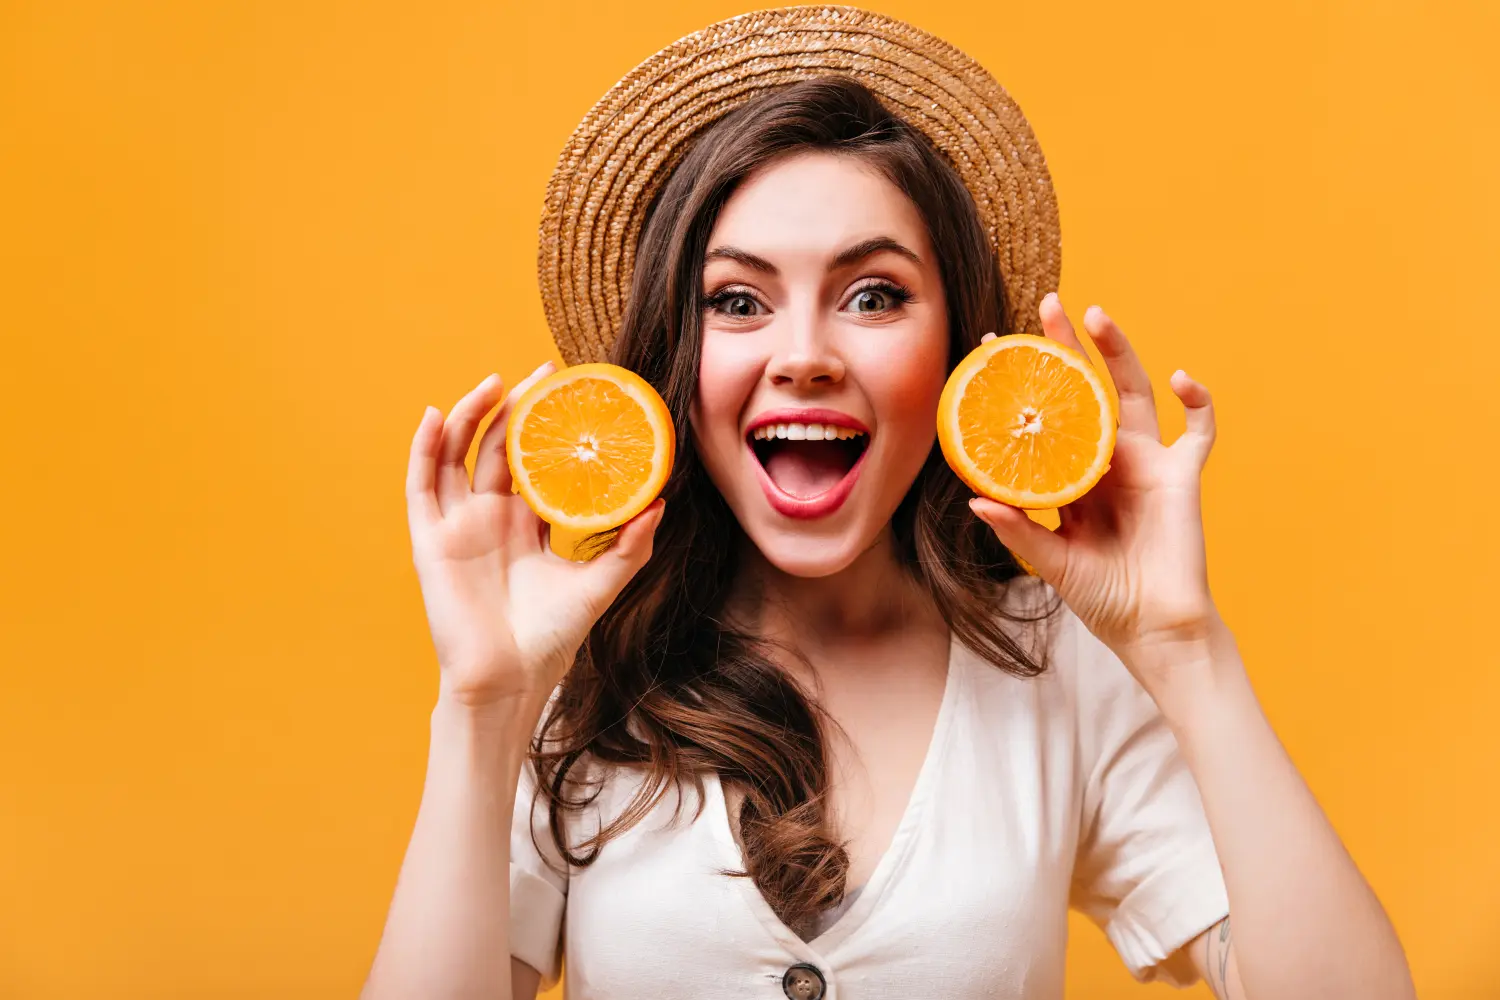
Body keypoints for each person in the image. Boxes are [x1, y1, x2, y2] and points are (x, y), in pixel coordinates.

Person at [363, 9, 1415, 1000]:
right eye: (737, 301)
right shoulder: (574, 663)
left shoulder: (1056, 662)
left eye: (874, 295)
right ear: (675, 360)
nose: (807, 356)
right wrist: (482, 708)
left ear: (957, 355)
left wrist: (1187, 648)